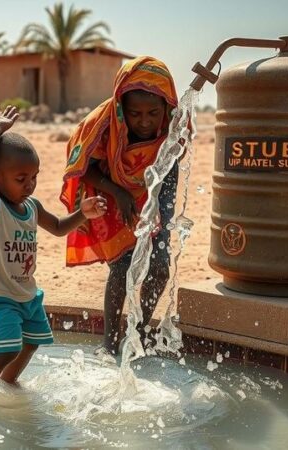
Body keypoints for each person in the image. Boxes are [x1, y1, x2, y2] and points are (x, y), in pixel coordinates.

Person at [0, 106, 106, 398]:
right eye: (21, 179)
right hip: (0, 294)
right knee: (7, 348)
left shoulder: (32, 207)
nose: (29, 185)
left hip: (28, 294)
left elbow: (58, 227)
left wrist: (82, 213)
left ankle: (8, 384)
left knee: (30, 343)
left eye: (33, 177)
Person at [60, 56, 180, 355]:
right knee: (123, 266)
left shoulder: (173, 129)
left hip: (152, 195)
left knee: (161, 268)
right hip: (109, 193)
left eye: (153, 113)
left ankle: (138, 333)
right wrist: (118, 193)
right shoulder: (103, 124)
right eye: (135, 113)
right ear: (121, 108)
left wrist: (160, 217)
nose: (144, 121)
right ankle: (111, 342)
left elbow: (170, 175)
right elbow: (83, 167)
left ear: (166, 107)